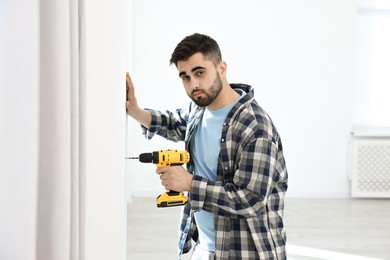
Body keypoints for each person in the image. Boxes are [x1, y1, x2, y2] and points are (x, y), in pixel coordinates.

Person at [126, 33, 288, 260]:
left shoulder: (255, 127)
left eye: (200, 72)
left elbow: (250, 200)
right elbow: (176, 122)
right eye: (185, 77)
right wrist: (136, 111)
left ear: (221, 68)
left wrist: (189, 183)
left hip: (245, 253)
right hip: (203, 249)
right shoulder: (199, 110)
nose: (194, 84)